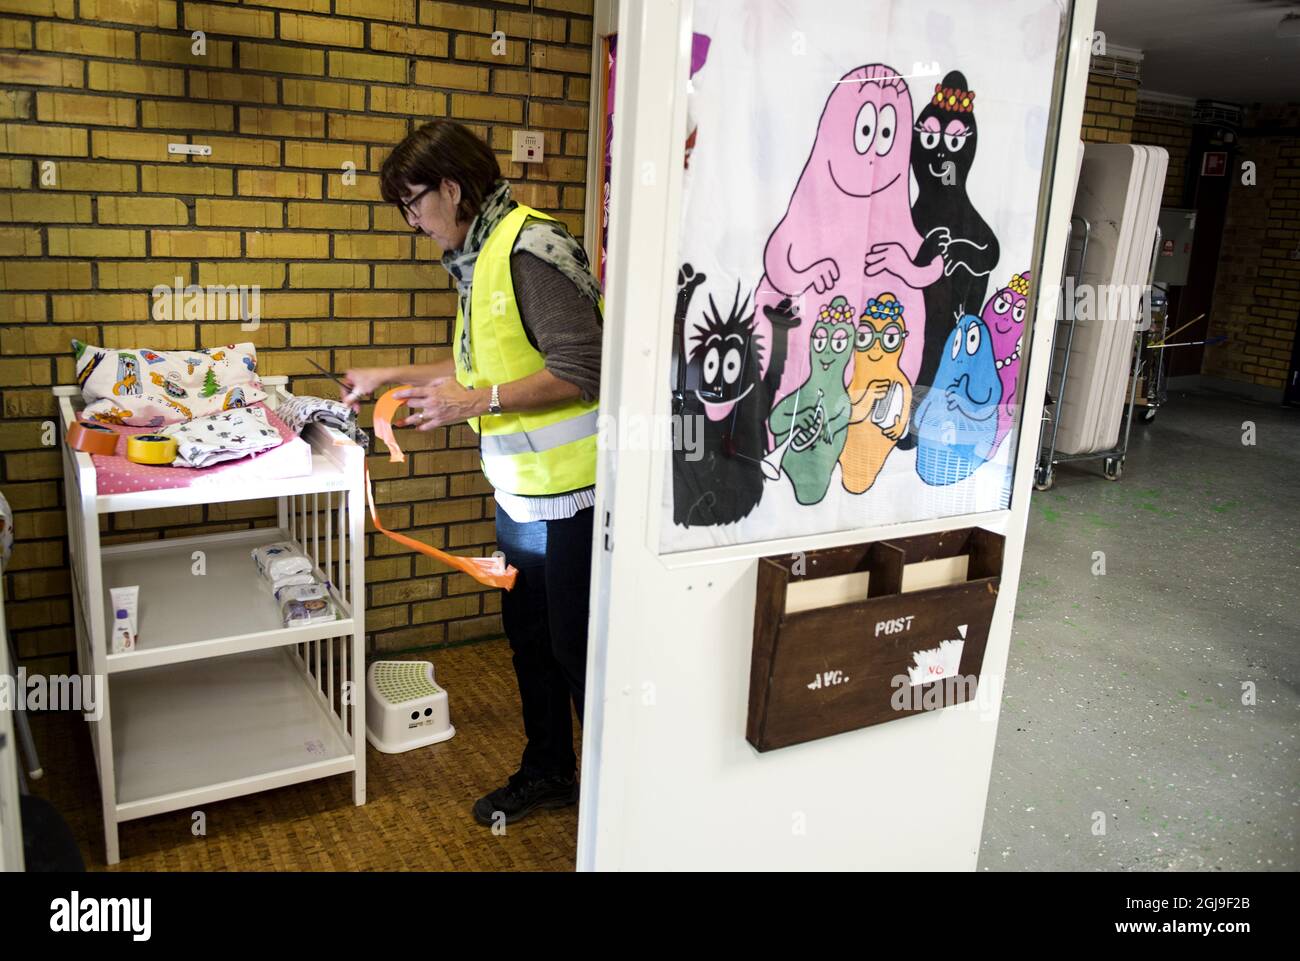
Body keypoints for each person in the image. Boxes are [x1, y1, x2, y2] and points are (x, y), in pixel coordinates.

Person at [342, 120, 603, 827]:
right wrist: (387, 373)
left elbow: (582, 370)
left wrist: (476, 401)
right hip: (523, 493)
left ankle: (622, 801)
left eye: (414, 203)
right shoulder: (478, 256)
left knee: (578, 652)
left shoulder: (529, 247)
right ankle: (550, 768)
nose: (413, 222)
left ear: (452, 189)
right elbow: (475, 370)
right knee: (528, 641)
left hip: (576, 498)